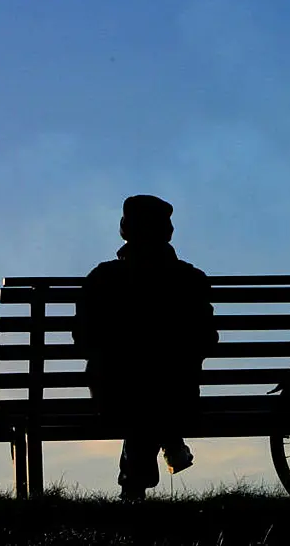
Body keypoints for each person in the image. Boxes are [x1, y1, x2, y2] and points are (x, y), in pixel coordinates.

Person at [72, 194, 217, 501]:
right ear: (169, 232)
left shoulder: (102, 279)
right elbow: (208, 340)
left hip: (114, 397)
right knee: (153, 388)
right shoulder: (191, 280)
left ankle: (133, 488)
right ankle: (170, 440)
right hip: (178, 396)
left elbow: (82, 340)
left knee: (139, 392)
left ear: (125, 231)